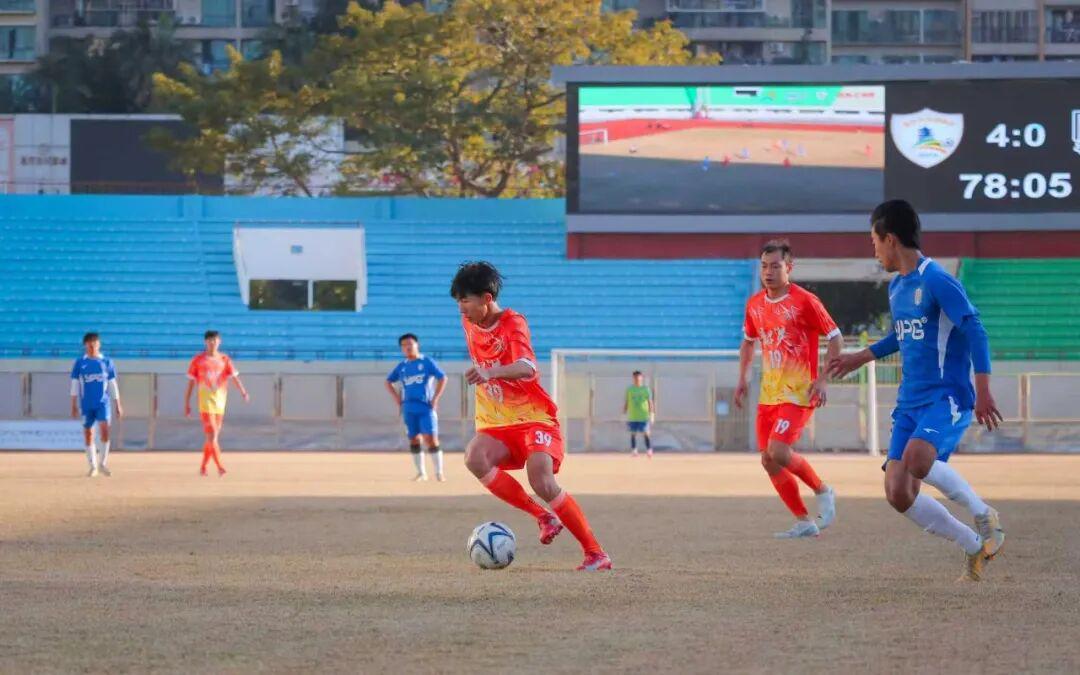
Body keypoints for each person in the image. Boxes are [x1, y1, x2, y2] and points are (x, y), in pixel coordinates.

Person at [829, 199, 1005, 581]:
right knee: (898, 492)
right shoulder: (897, 287)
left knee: (918, 459)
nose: (874, 250)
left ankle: (984, 513)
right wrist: (860, 357)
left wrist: (983, 389)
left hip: (946, 394)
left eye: (874, 242)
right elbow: (902, 334)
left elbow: (975, 329)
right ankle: (974, 545)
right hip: (910, 401)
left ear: (890, 239)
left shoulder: (937, 280)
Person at [452, 261, 611, 571]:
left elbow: (527, 367)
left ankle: (596, 553)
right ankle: (543, 517)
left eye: (465, 300)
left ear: (487, 298)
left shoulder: (513, 323)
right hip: (496, 419)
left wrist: (490, 372)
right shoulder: (469, 320)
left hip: (533, 416)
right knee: (474, 458)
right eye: (458, 301)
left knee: (540, 478)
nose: (461, 308)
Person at [735, 240, 840, 539]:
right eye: (764, 266)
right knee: (768, 460)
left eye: (775, 266)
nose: (768, 272)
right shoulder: (754, 304)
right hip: (769, 393)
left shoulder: (805, 301)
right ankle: (804, 521)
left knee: (778, 450)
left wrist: (823, 379)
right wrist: (742, 378)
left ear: (789, 268)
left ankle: (822, 489)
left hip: (800, 391)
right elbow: (748, 342)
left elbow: (835, 338)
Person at [385, 333, 448, 481]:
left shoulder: (426, 362)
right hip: (408, 407)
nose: (407, 347)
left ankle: (439, 473)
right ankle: (421, 473)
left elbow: (442, 377)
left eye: (410, 344)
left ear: (416, 345)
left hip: (425, 407)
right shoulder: (402, 366)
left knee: (430, 438)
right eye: (404, 345)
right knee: (413, 438)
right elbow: (388, 381)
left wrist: (435, 398)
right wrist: (397, 398)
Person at [184, 330, 249, 476]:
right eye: (209, 340)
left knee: (212, 438)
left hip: (220, 403)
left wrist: (243, 392)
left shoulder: (225, 359)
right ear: (205, 342)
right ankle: (220, 467)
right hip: (205, 402)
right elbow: (191, 383)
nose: (212, 343)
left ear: (219, 341)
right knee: (212, 434)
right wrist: (187, 403)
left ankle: (203, 467)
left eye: (214, 340)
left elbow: (234, 378)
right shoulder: (198, 360)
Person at [70, 332, 123, 477]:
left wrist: (118, 404)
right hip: (86, 404)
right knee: (88, 433)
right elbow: (74, 385)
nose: (92, 347)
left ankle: (102, 464)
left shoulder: (106, 362)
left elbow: (112, 384)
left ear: (99, 344)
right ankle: (93, 466)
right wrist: (73, 404)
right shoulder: (80, 363)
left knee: (105, 431)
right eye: (89, 344)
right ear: (85, 345)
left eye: (95, 344)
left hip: (103, 403)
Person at [624, 370, 654, 457]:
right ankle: (634, 450)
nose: (637, 379)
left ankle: (649, 450)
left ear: (641, 378)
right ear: (633, 378)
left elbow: (650, 402)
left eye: (638, 377)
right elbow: (627, 401)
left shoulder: (646, 389)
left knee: (646, 433)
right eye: (635, 377)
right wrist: (624, 413)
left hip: (643, 416)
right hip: (633, 416)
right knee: (633, 433)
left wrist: (652, 414)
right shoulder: (630, 389)